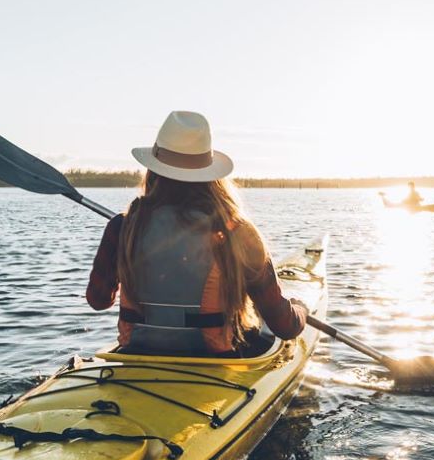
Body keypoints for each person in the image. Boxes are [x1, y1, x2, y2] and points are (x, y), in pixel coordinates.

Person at [87, 111, 308, 357]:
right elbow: (284, 326)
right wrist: (301, 310)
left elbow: (98, 301)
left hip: (136, 354)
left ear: (153, 170)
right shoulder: (238, 233)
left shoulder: (121, 227)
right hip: (213, 361)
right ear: (210, 175)